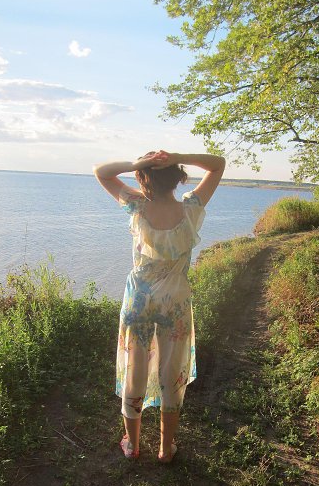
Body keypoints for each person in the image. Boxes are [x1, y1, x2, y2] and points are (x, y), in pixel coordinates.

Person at [93, 151, 225, 462]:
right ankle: (166, 449)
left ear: (143, 178)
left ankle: (133, 445)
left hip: (138, 299)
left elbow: (101, 171)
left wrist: (135, 165)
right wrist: (178, 156)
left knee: (134, 370)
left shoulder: (136, 205)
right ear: (176, 177)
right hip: (174, 302)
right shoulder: (191, 208)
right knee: (171, 372)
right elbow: (218, 164)